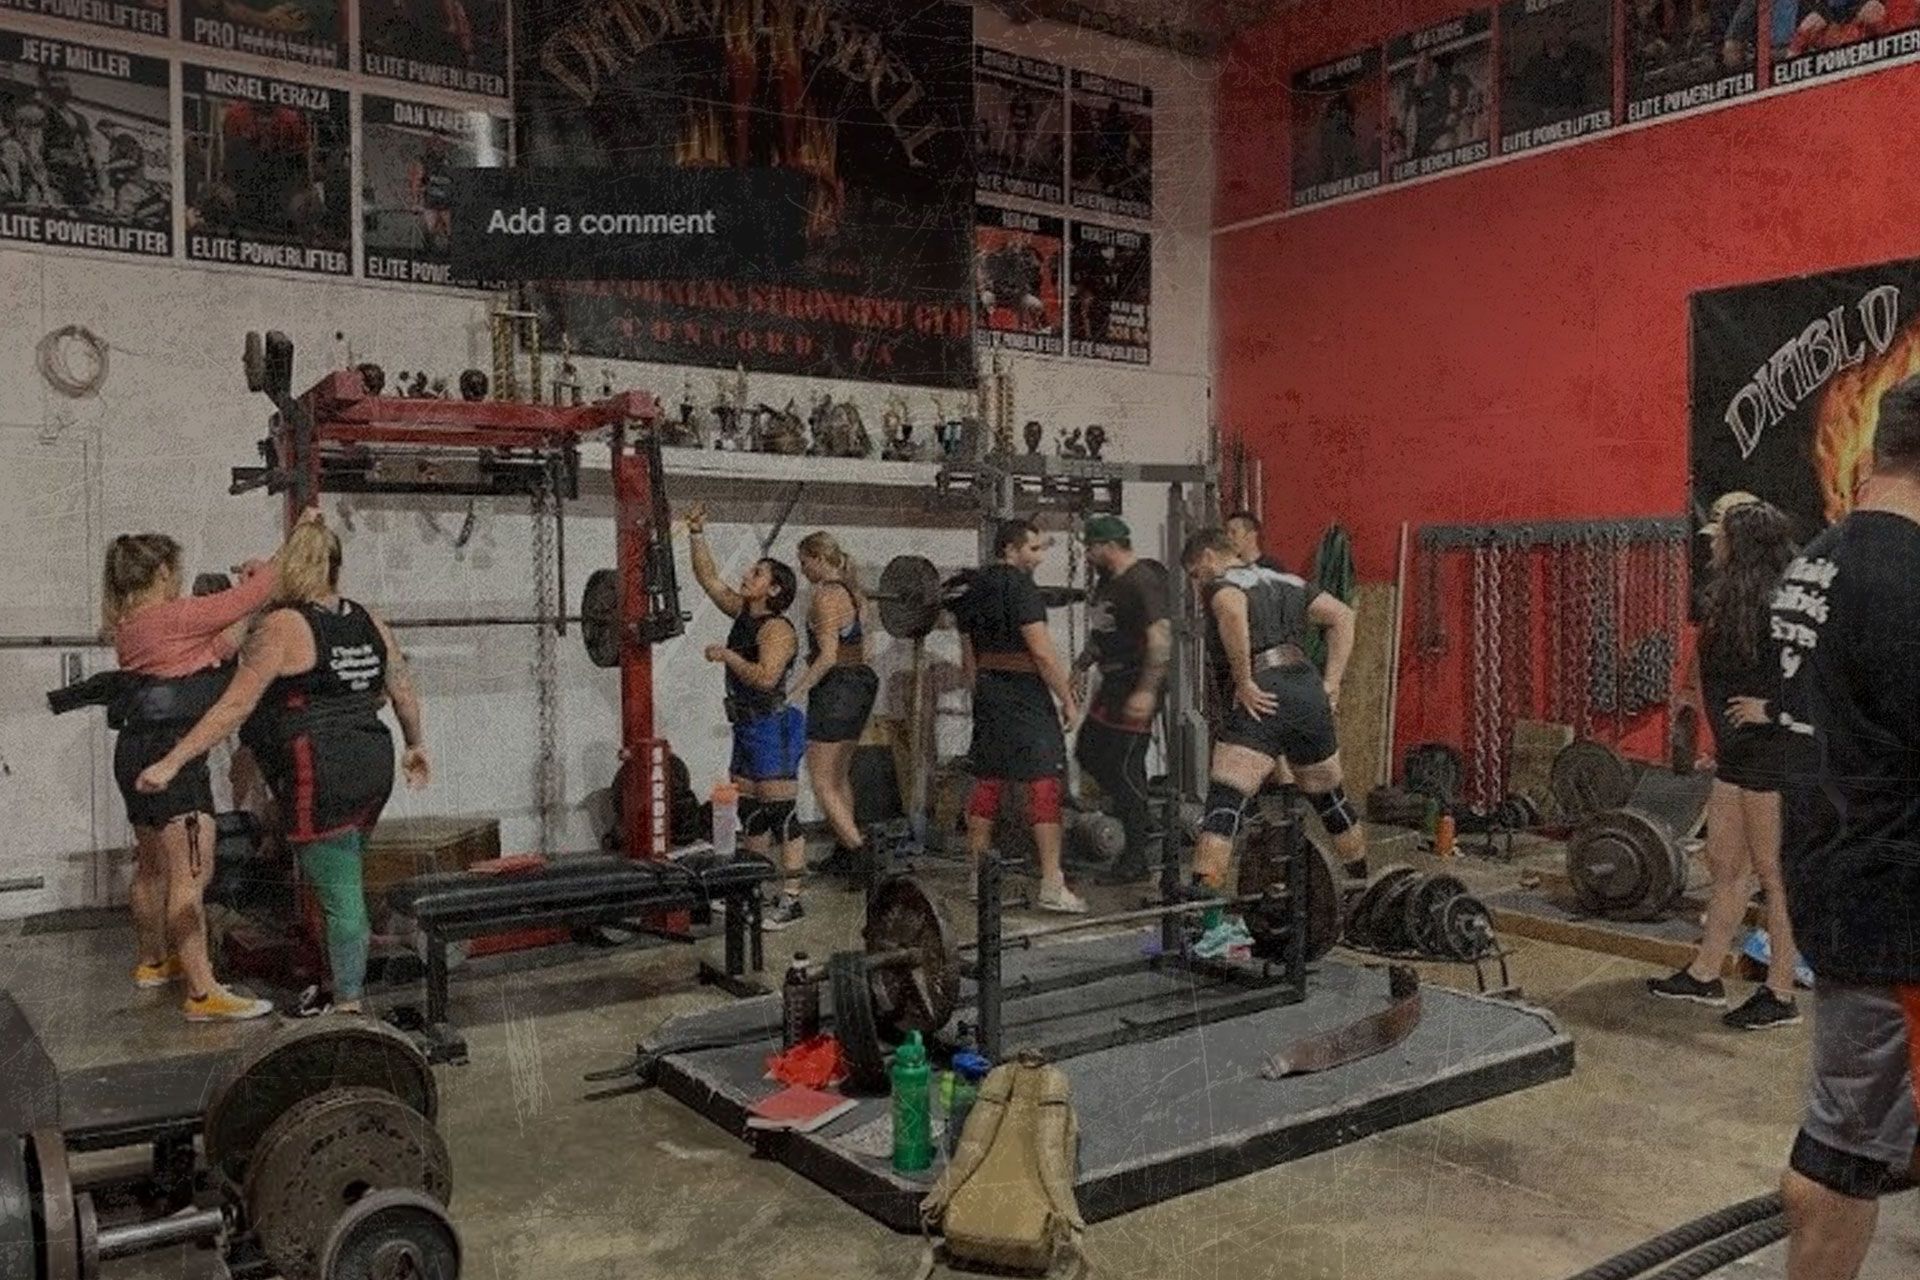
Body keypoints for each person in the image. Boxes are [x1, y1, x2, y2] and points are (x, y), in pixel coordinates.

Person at [137, 516, 429, 1017]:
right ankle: (334, 987)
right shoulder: (370, 619)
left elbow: (235, 705)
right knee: (339, 878)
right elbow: (401, 689)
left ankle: (349, 1007)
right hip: (373, 763)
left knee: (341, 896)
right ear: (335, 566)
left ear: (291, 568)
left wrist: (173, 760)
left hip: (321, 769)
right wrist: (416, 745)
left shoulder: (283, 626)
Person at [1772, 373, 1920, 1280]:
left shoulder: (1818, 559)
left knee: (1850, 1136)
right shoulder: (1908, 580)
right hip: (1900, 908)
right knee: (1843, 1152)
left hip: (1837, 878)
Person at [102, 522, 322, 1022]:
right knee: (192, 875)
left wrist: (246, 603)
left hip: (134, 749)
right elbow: (262, 589)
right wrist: (287, 546)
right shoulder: (175, 615)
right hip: (174, 754)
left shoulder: (132, 625)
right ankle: (203, 993)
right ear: (162, 572)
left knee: (152, 866)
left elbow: (215, 650)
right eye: (176, 570)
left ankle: (154, 962)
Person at [1647, 494, 1802, 1030]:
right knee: (1724, 866)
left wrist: (1773, 709)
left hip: (1772, 757)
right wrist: (1692, 696)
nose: (1712, 539)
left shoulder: (1785, 604)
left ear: (1743, 543)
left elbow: (1825, 680)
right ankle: (1705, 973)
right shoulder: (1729, 598)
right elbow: (1711, 665)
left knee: (1775, 878)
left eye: (1722, 532)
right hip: (1735, 756)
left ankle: (1780, 994)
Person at [1181, 528, 1367, 919]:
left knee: (1225, 805)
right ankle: (1360, 895)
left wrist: (1244, 679)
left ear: (1210, 556)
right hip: (1306, 689)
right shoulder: (1286, 580)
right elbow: (1343, 616)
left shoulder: (1221, 584)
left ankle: (1202, 922)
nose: (1197, 584)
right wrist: (1332, 683)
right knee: (1330, 800)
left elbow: (1233, 611)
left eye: (1196, 573)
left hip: (1263, 692)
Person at [682, 504, 809, 928]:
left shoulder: (777, 630)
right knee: (751, 814)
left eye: (757, 574)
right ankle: (752, 890)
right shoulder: (742, 612)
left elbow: (766, 676)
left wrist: (727, 656)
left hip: (773, 727)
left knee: (781, 815)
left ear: (773, 589)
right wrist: (697, 533)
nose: (746, 576)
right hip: (747, 726)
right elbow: (709, 579)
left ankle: (792, 900)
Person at [952, 519, 1086, 914]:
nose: (1039, 558)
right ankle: (1052, 883)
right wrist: (1068, 699)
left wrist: (982, 700)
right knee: (1044, 782)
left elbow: (969, 660)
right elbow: (1042, 653)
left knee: (987, 780)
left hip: (990, 694)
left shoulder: (972, 590)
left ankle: (977, 879)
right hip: (1025, 696)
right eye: (1033, 549)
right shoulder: (1021, 588)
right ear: (1010, 550)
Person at [1072, 516, 1171, 884]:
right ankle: (1138, 816)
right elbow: (1103, 632)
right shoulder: (1107, 583)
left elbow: (1160, 639)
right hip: (1111, 683)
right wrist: (1080, 665)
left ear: (1110, 546)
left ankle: (1136, 858)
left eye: (1091, 547)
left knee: (1125, 767)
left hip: (1135, 683)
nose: (1087, 554)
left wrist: (1147, 689)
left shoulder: (1140, 580)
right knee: (1088, 751)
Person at [790, 531, 879, 883]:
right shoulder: (856, 594)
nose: (802, 570)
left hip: (837, 688)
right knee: (839, 776)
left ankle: (863, 855)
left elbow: (827, 656)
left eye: (804, 562)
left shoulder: (826, 596)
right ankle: (845, 853)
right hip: (860, 684)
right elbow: (865, 650)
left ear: (817, 557)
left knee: (821, 781)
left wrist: (798, 690)